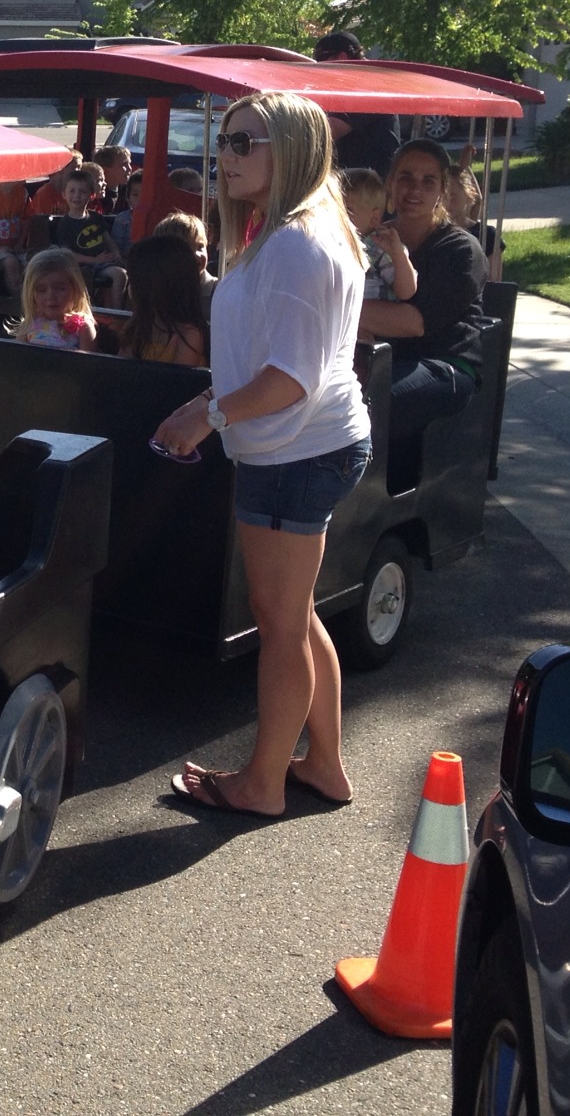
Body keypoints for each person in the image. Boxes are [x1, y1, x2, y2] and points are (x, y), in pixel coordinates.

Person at [154, 92, 371, 816]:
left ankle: (263, 783)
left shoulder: (297, 246)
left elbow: (289, 379)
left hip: (295, 453)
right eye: (226, 141)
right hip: (305, 446)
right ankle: (324, 767)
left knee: (278, 621)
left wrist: (210, 417)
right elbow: (267, 361)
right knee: (297, 613)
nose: (229, 155)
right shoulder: (284, 235)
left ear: (297, 150)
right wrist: (203, 405)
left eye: (249, 141)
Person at [360, 138, 489, 480]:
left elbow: (414, 322)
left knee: (366, 404)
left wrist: (330, 306)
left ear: (443, 190)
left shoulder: (461, 250)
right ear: (390, 184)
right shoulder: (372, 241)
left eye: (428, 180)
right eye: (405, 177)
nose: (414, 189)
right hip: (379, 358)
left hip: (445, 365)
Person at [40, 161, 128, 308]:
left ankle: (115, 309)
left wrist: (116, 252)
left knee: (124, 273)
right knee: (102, 274)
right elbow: (68, 253)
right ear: (64, 194)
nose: (77, 196)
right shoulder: (65, 224)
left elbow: (107, 239)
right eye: (72, 191)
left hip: (103, 262)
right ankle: (102, 310)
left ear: (91, 195)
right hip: (82, 265)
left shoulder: (95, 217)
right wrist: (94, 260)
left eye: (82, 192)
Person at [315, 30, 402, 173]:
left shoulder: (365, 86)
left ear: (341, 58)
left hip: (370, 188)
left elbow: (325, 131)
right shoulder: (367, 80)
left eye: (322, 63)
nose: (319, 73)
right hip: (361, 183)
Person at [117, 234, 209, 366]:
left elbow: (175, 383)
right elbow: (121, 370)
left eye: (133, 279)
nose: (129, 287)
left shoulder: (190, 336)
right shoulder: (138, 326)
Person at [338, 167, 416, 312]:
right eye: (333, 209)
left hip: (376, 322)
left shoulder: (379, 246)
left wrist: (398, 255)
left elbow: (406, 291)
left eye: (347, 210)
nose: (338, 216)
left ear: (374, 217)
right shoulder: (333, 244)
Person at [15, 248, 97, 351]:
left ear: (75, 288)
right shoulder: (29, 325)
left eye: (60, 289)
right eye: (41, 290)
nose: (51, 296)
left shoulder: (83, 328)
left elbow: (88, 364)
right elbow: (17, 358)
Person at [151, 210, 216, 303]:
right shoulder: (155, 289)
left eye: (200, 247)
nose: (196, 255)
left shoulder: (217, 290)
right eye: (187, 249)